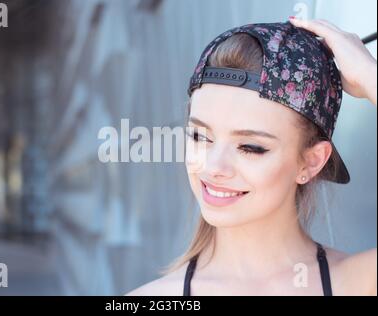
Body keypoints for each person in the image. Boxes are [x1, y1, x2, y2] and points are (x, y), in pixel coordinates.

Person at [126, 18, 377, 296]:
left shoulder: (359, 284)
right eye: (199, 136)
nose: (213, 167)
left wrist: (369, 75)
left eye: (250, 147)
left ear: (312, 161)